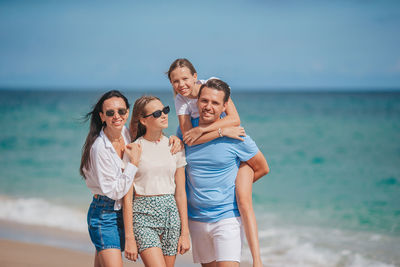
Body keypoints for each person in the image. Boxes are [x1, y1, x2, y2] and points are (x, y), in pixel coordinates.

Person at [167, 59, 265, 266]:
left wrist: (240, 184)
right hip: (196, 221)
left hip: (227, 218)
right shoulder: (183, 120)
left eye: (214, 103)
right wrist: (174, 139)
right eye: (204, 102)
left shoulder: (236, 136)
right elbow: (185, 139)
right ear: (198, 100)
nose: (208, 106)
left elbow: (262, 167)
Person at [122, 96, 190, 267]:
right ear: (143, 121)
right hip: (143, 216)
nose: (164, 115)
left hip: (171, 216)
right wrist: (129, 237)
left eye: (165, 110)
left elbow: (181, 193)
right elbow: (127, 197)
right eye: (158, 113)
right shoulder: (133, 149)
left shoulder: (175, 146)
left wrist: (185, 233)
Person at [80, 90, 142, 267]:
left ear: (127, 112)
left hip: (124, 212)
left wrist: (175, 139)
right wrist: (134, 163)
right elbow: (115, 192)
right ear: (102, 116)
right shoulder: (99, 148)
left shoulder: (126, 133)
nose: (117, 116)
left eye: (121, 111)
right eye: (110, 113)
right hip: (104, 214)